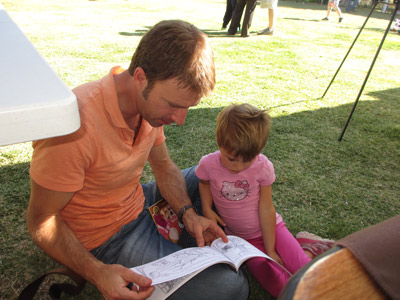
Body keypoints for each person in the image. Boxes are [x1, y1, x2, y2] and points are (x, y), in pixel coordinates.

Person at [27, 20, 249, 300]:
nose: (180, 120)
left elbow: (165, 168)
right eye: (173, 105)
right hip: (107, 236)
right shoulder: (74, 127)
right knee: (231, 288)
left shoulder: (148, 107)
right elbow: (40, 221)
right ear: (141, 78)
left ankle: (186, 238)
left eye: (187, 108)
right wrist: (97, 272)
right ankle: (185, 250)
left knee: (219, 175)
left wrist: (188, 213)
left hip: (138, 200)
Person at [195, 103, 333, 298]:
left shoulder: (262, 166)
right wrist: (207, 210)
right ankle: (303, 246)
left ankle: (306, 248)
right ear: (219, 141)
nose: (239, 167)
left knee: (305, 269)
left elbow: (266, 207)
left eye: (247, 159)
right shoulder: (208, 164)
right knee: (277, 282)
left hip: (271, 228)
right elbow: (204, 183)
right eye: (232, 158)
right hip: (241, 240)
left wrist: (270, 248)